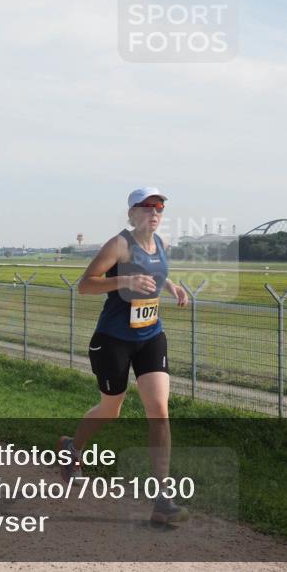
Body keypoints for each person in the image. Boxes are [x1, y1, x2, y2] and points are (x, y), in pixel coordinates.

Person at [59, 187, 190, 524]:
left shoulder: (162, 244)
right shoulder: (118, 244)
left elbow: (155, 273)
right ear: (132, 214)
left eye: (159, 207)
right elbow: (86, 284)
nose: (154, 213)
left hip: (150, 336)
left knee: (159, 411)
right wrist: (123, 280)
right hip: (113, 340)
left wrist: (171, 286)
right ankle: (72, 450)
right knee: (110, 410)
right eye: (146, 207)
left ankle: (162, 499)